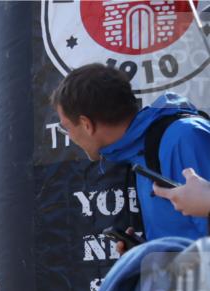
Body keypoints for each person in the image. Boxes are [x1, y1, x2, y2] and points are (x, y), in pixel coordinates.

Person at [53, 63, 210, 244]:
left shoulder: (183, 137)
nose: (70, 137)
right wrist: (146, 252)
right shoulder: (138, 149)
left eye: (66, 127)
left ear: (86, 124)